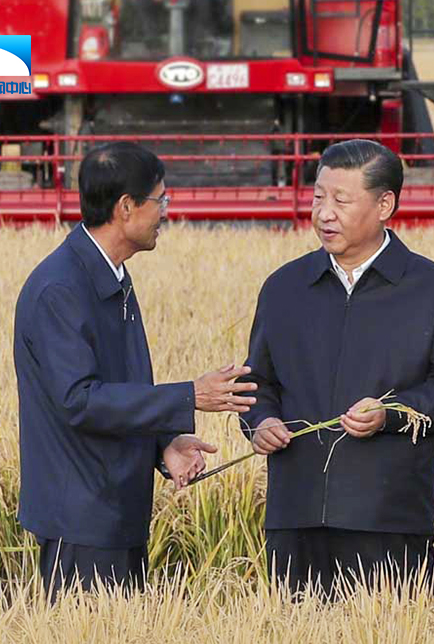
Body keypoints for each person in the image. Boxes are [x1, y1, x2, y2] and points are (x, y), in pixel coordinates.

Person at [241, 138, 434, 596]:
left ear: (384, 205)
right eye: (318, 196)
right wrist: (260, 421)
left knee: (386, 639)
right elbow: (258, 382)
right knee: (290, 637)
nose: (324, 213)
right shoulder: (284, 287)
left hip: (388, 517)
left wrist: (391, 413)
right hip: (295, 516)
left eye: (341, 200)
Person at [14, 140, 255, 597]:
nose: (166, 211)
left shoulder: (110, 275)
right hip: (81, 517)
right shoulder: (61, 290)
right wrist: (190, 396)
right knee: (86, 641)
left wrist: (163, 445)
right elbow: (80, 401)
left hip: (115, 508)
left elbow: (117, 388)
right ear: (126, 207)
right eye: (160, 199)